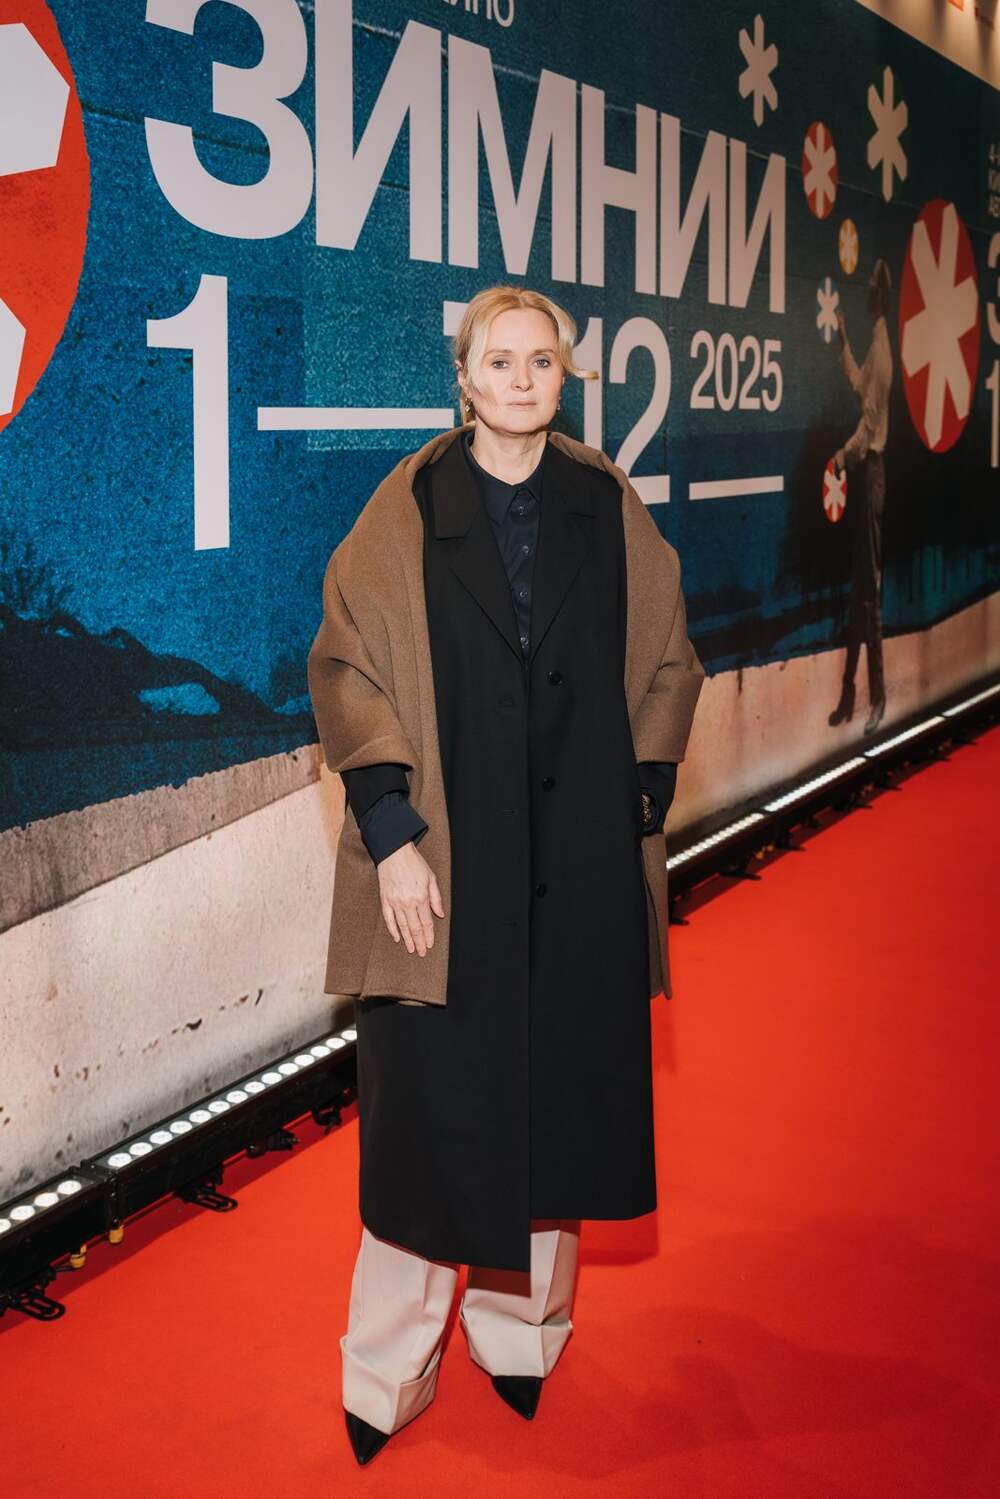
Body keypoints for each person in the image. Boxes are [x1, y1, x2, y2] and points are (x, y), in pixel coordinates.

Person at [307, 285, 706, 1465]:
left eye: (540, 361)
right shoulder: (409, 504)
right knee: (425, 1127)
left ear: (562, 377)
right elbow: (345, 667)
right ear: (465, 377)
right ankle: (385, 1368)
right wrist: (391, 834)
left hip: (574, 864)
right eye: (499, 360)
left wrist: (638, 795)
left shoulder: (603, 498)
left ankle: (522, 1334)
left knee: (555, 1111)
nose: (520, 380)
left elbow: (669, 656)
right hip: (444, 864)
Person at [829, 258, 893, 737]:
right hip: (867, 472)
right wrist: (844, 342)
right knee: (858, 590)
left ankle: (877, 698)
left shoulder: (884, 352)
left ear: (879, 295)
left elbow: (868, 425)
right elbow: (858, 385)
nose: (866, 291)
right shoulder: (875, 345)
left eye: (870, 286)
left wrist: (841, 455)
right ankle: (850, 695)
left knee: (868, 593)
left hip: (870, 473)